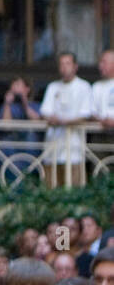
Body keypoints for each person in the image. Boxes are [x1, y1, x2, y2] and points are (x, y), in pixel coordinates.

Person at [40, 51, 93, 186]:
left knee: (75, 188)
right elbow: (45, 112)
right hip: (52, 149)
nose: (64, 67)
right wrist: (54, 119)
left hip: (74, 149)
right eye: (61, 64)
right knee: (50, 187)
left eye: (68, 63)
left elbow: (86, 115)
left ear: (75, 66)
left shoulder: (84, 87)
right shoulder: (53, 87)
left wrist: (63, 121)